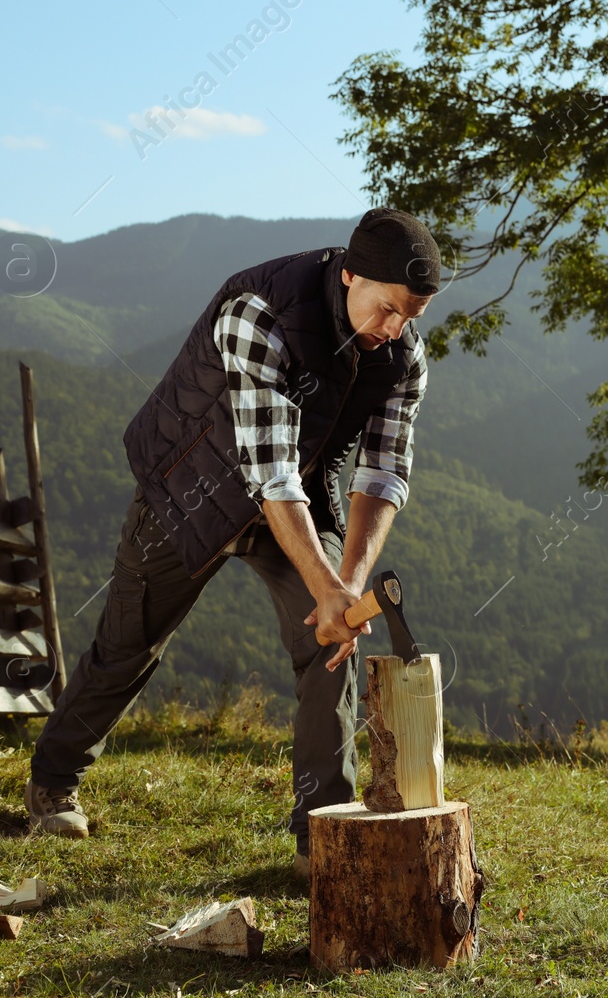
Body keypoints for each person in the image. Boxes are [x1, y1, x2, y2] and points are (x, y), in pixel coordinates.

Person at [22, 208, 438, 879]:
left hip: (302, 494)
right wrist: (327, 581)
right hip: (192, 490)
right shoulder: (262, 312)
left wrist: (346, 587)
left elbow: (384, 473)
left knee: (327, 648)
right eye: (388, 308)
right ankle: (53, 780)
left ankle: (321, 834)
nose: (396, 328)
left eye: (412, 314)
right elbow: (267, 474)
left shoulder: (403, 352)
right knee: (129, 646)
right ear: (350, 274)